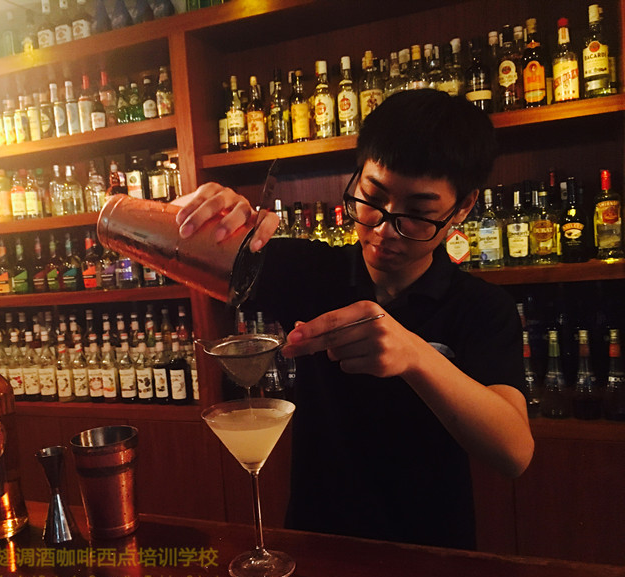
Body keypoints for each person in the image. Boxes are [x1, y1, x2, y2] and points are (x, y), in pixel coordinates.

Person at [174, 89, 534, 550]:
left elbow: (514, 453)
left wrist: (415, 356)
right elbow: (173, 249)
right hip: (317, 542)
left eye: (418, 214)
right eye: (372, 198)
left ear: (462, 208)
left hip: (432, 553)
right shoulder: (309, 271)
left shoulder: (483, 308)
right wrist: (204, 217)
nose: (384, 229)